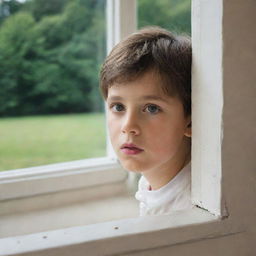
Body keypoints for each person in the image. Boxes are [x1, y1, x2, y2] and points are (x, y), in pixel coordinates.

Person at [100, 27, 192, 216]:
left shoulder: (193, 206)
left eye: (151, 108)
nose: (128, 127)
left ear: (190, 122)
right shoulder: (150, 181)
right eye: (118, 107)